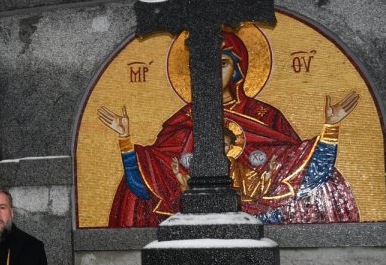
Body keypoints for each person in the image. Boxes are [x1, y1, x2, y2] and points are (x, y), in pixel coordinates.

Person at [97, 30, 360, 226]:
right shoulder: (182, 121)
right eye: (204, 65)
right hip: (195, 229)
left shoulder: (266, 117)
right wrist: (125, 140)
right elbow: (147, 184)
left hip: (260, 227)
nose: (212, 73)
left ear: (237, 69)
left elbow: (304, 173)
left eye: (222, 63)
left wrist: (331, 128)